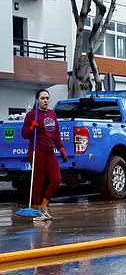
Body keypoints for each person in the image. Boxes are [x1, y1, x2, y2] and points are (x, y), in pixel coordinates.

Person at [21, 89, 68, 221]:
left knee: (56, 178)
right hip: (37, 150)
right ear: (37, 100)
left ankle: (44, 205)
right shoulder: (32, 115)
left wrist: (61, 148)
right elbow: (24, 134)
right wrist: (31, 127)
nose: (46, 100)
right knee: (39, 180)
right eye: (43, 98)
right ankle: (36, 209)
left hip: (49, 150)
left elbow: (56, 134)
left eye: (47, 98)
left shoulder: (52, 114)